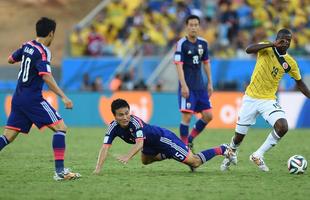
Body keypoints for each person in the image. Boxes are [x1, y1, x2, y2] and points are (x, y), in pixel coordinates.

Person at [0, 17, 81, 181]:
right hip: (32, 98)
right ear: (51, 33)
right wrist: (64, 97)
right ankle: (60, 172)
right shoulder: (43, 52)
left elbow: (10, 59)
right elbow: (47, 77)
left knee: (7, 137)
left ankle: (61, 171)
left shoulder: (27, 45)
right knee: (61, 128)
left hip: (18, 97)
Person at [220, 29, 310, 172]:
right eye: (283, 39)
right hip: (250, 98)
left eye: (289, 40)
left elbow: (300, 83)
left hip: (268, 100)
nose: (286, 42)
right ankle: (231, 152)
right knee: (239, 137)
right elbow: (248, 50)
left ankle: (258, 154)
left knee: (283, 126)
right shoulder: (266, 48)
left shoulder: (290, 63)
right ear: (277, 39)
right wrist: (272, 44)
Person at [93, 99, 235, 174]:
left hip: (164, 139)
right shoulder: (112, 127)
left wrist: (127, 156)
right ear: (114, 116)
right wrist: (98, 168)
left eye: (127, 113)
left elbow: (140, 144)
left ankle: (222, 149)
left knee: (195, 162)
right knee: (145, 161)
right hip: (150, 145)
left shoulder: (135, 123)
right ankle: (171, 154)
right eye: (120, 115)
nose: (125, 117)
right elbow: (105, 147)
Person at [174, 15, 213, 150]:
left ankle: (190, 139)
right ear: (187, 26)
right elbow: (178, 65)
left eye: (196, 25)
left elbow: (206, 63)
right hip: (188, 87)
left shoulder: (203, 43)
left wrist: (210, 83)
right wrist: (183, 85)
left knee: (208, 115)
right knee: (187, 117)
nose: (193, 27)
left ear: (199, 26)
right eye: (191, 25)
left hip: (200, 87)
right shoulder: (181, 44)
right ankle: (184, 148)